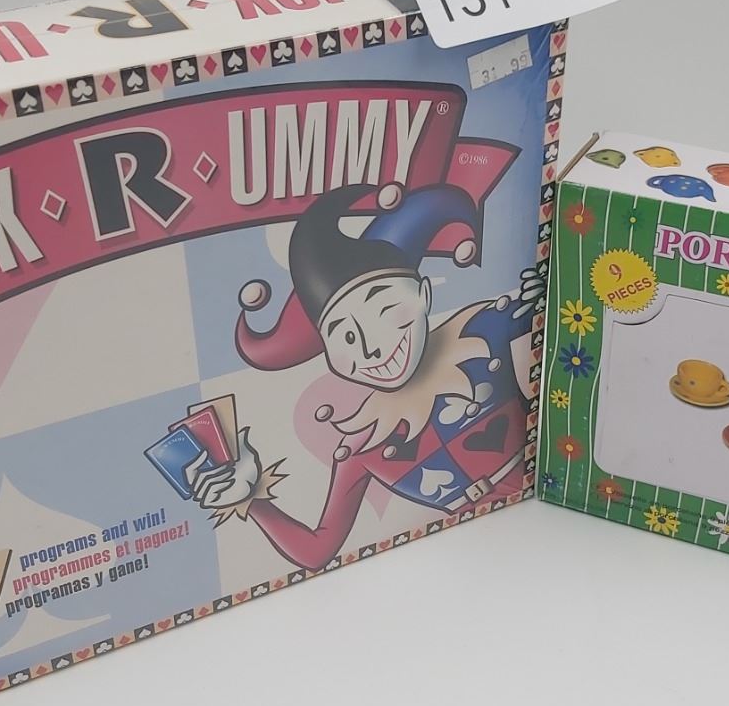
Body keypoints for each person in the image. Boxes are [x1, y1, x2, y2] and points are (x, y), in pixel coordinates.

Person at [193, 180, 538, 569]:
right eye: (345, 336)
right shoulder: (361, 444)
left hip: (541, 516)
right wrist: (250, 499)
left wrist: (548, 289)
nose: (372, 348)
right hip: (459, 556)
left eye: (384, 310)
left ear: (424, 294)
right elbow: (317, 552)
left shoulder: (484, 330)